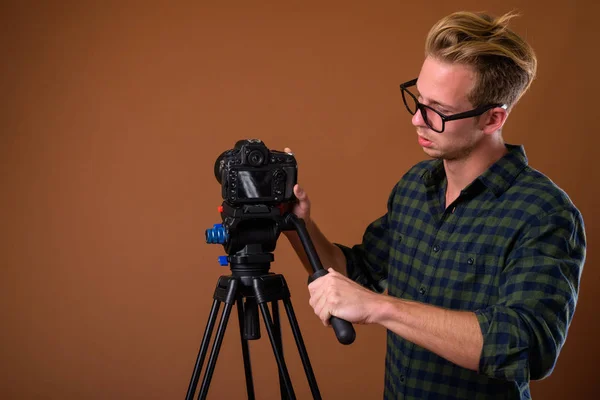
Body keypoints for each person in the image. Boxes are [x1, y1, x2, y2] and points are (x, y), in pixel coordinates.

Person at [283, 10, 586, 400]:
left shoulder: (544, 213)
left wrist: (381, 308)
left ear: (493, 118)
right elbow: (354, 276)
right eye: (418, 99)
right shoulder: (414, 186)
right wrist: (298, 224)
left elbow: (526, 346)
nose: (416, 119)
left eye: (438, 111)